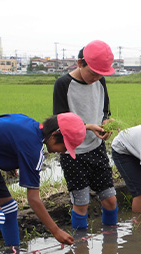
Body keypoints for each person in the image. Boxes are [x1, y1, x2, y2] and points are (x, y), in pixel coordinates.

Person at [0, 112, 87, 254]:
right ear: (54, 135)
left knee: (10, 209)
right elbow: (33, 199)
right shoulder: (33, 150)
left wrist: (5, 156)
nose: (64, 151)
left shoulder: (29, 123)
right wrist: (56, 231)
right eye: (65, 146)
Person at [53, 40, 118, 229]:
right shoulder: (63, 84)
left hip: (96, 149)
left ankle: (111, 246)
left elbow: (104, 110)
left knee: (111, 200)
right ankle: (80, 248)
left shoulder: (100, 81)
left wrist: (105, 123)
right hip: (73, 152)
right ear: (80, 63)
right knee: (81, 203)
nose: (96, 78)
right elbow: (60, 121)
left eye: (101, 75)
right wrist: (88, 126)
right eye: (93, 72)